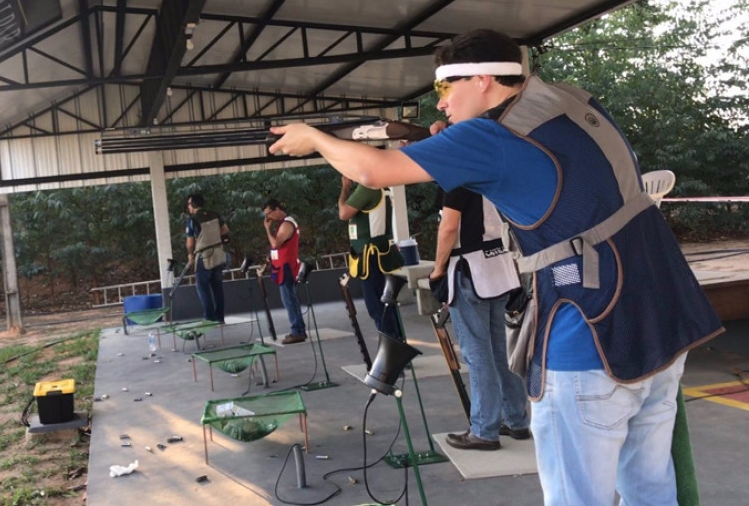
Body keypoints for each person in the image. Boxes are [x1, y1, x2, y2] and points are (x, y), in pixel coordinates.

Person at [268, 28, 723, 506]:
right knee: (650, 491)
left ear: (483, 80)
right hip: (662, 323)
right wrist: (450, 146)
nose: (440, 104)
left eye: (445, 89)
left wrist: (314, 138)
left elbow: (372, 171)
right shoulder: (570, 103)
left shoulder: (489, 136)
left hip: (590, 339)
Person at [430, 179, 530, 451]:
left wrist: (438, 270)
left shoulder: (456, 177)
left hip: (469, 270)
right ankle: (517, 420)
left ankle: (485, 429)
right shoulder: (489, 173)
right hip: (498, 267)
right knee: (498, 351)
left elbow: (449, 227)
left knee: (477, 354)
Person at [338, 175, 405, 341]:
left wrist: (345, 188)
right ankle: (397, 346)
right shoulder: (383, 187)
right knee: (386, 304)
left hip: (371, 257)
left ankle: (391, 351)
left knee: (377, 306)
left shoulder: (367, 188)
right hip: (381, 254)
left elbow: (343, 213)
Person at [262, 198, 307, 344]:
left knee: (289, 298)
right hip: (281, 265)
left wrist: (267, 229)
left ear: (277, 209)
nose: (268, 218)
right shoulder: (282, 224)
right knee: (288, 298)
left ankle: (297, 330)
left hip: (287, 266)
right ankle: (297, 328)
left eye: (269, 214)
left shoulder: (287, 224)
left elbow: (276, 243)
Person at [185, 193, 229, 323]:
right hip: (218, 253)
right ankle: (220, 318)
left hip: (203, 257)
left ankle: (209, 317)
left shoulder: (192, 220)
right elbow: (225, 230)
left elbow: (190, 242)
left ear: (193, 204)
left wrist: (189, 254)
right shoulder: (215, 215)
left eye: (188, 204)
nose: (188, 207)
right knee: (218, 288)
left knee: (203, 288)